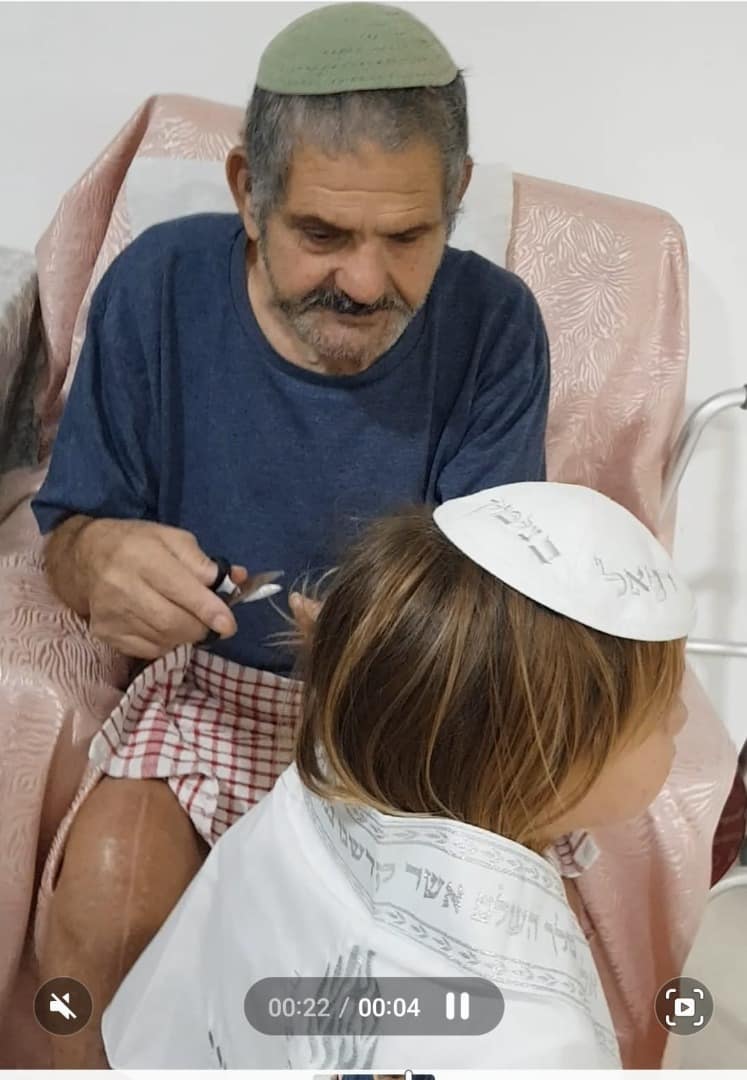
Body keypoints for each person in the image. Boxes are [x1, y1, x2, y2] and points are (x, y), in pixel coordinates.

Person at [30, 3, 550, 1067]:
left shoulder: (496, 325)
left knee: (408, 990)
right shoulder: (157, 287)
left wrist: (385, 646)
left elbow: (492, 605)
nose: (362, 284)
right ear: (246, 191)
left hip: (397, 727)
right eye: (320, 235)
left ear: (456, 195)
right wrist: (92, 558)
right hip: (205, 698)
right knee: (105, 915)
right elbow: (70, 531)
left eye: (408, 238)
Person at [100, 481, 693, 1069]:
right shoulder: (529, 1038)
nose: (684, 718)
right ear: (547, 759)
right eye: (662, 709)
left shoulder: (315, 793)